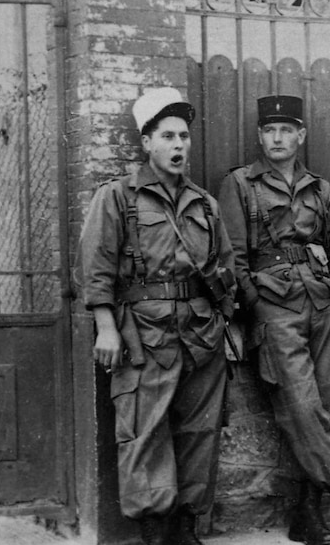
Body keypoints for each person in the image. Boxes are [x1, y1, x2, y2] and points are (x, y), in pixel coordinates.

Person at [79, 87, 235, 545]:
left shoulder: (204, 204)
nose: (179, 146)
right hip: (142, 335)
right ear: (147, 142)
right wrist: (106, 327)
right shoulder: (117, 198)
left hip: (201, 333)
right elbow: (96, 268)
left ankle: (186, 526)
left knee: (198, 432)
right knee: (144, 432)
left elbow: (224, 266)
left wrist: (226, 323)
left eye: (184, 136)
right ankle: (154, 530)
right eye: (167, 136)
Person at [217, 95, 330, 545]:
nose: (277, 138)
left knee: (329, 404)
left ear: (300, 135)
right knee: (300, 404)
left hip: (325, 303)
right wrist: (255, 301)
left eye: (286, 130)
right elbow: (233, 258)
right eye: (269, 130)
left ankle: (307, 513)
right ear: (260, 136)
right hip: (274, 305)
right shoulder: (240, 185)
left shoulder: (320, 189)